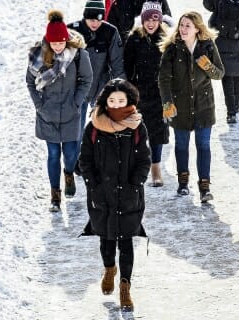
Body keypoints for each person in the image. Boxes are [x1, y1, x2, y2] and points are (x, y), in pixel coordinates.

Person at [79, 79, 151, 311]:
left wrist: (135, 183)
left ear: (129, 101)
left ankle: (125, 287)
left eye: (121, 100)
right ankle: (109, 268)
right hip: (102, 195)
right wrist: (93, 185)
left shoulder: (137, 127)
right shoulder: (94, 127)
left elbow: (144, 159)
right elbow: (85, 160)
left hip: (129, 195)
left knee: (127, 243)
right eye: (112, 100)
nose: (117, 105)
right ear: (105, 101)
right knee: (107, 241)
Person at [26, 10, 92, 212]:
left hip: (71, 113)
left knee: (71, 154)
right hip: (48, 114)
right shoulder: (38, 55)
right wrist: (40, 105)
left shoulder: (79, 54)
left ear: (66, 40)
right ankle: (55, 194)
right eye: (53, 43)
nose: (57, 46)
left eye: (60, 43)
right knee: (53, 154)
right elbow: (30, 82)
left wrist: (76, 102)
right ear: (48, 41)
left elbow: (86, 80)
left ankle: (69, 172)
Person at [158, 11, 224, 202]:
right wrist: (167, 102)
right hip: (180, 106)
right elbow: (164, 79)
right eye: (181, 25)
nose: (183, 29)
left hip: (204, 105)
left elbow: (219, 74)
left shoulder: (208, 46)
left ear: (197, 28)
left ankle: (204, 187)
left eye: (188, 25)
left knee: (203, 146)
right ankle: (183, 183)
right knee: (181, 145)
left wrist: (208, 66)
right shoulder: (172, 49)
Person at [67, 0, 125, 164]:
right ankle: (75, 163)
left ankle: (102, 160)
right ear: (85, 17)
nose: (94, 23)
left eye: (98, 19)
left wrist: (121, 90)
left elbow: (117, 63)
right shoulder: (72, 30)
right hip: (77, 88)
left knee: (104, 126)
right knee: (76, 130)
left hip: (101, 84)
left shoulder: (110, 32)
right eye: (91, 19)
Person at [124, 2, 169, 187]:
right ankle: (138, 166)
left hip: (159, 92)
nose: (151, 23)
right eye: (147, 19)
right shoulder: (134, 38)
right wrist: (133, 85)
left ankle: (156, 168)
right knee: (138, 131)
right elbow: (127, 64)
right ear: (142, 20)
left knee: (157, 131)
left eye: (155, 19)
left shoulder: (166, 39)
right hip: (140, 91)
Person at [203, 0, 239, 124]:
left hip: (221, 33)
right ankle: (236, 106)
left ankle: (231, 111)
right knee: (238, 69)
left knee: (226, 71)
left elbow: (208, 5)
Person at [107, 0, 172, 44]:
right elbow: (111, 33)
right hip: (126, 52)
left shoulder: (159, 1)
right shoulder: (120, 3)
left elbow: (167, 26)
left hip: (155, 51)